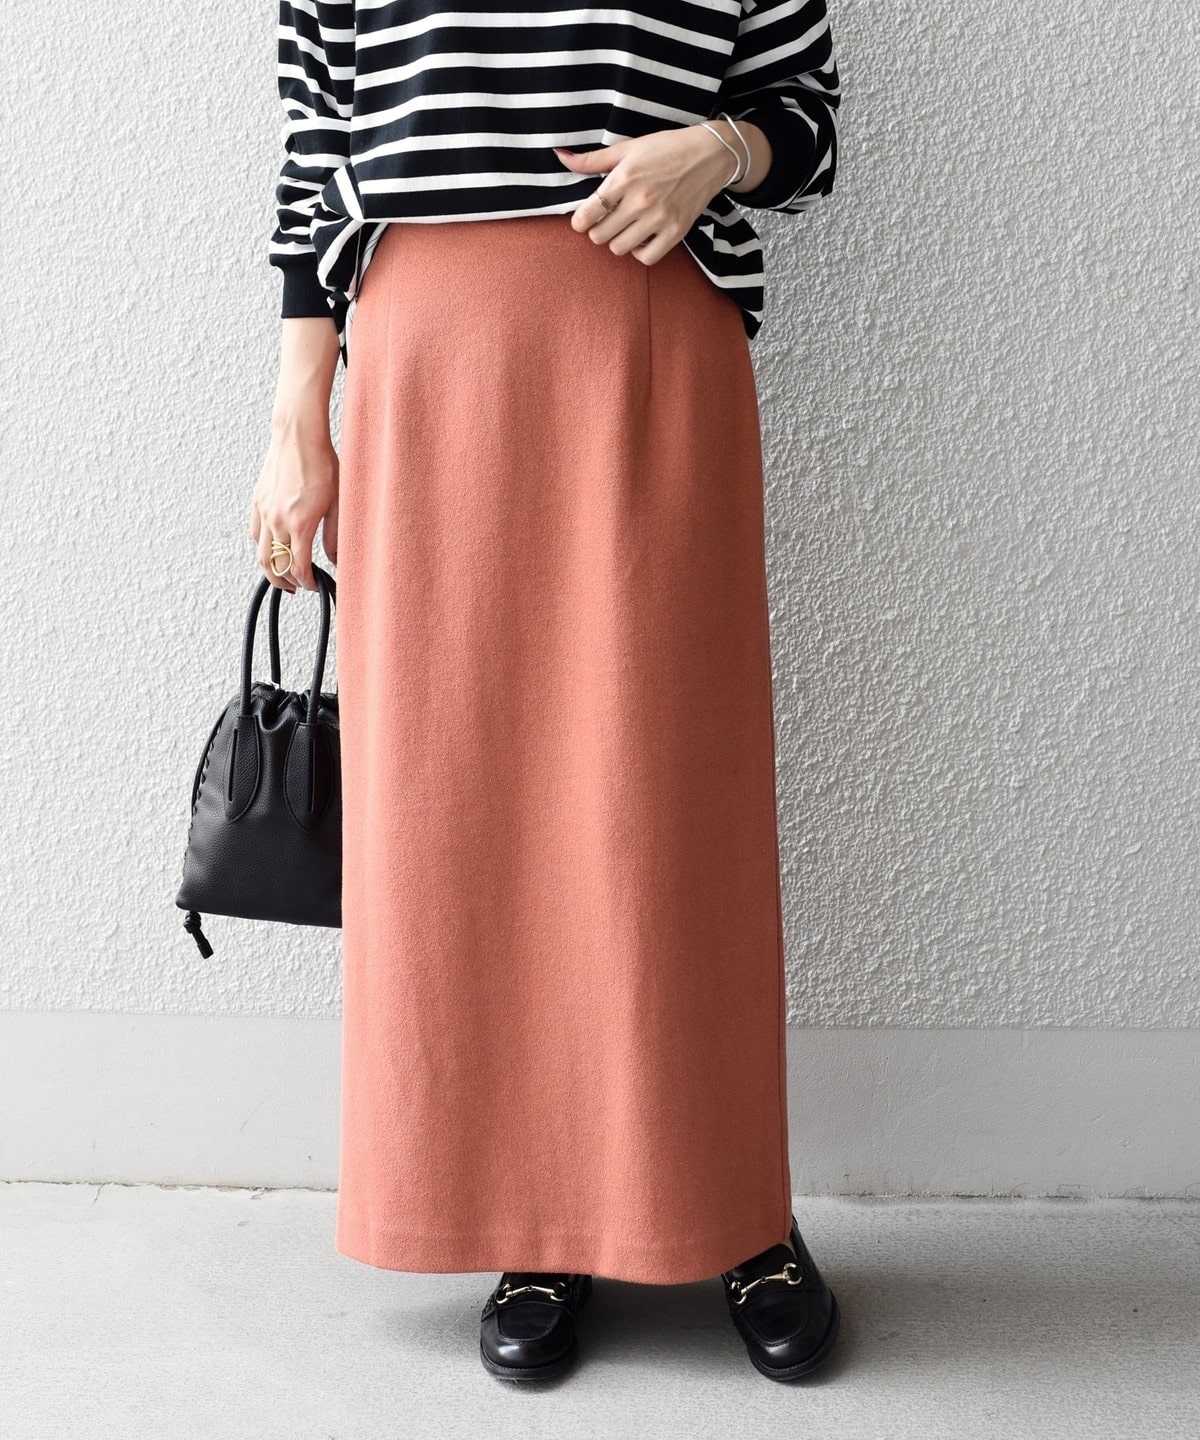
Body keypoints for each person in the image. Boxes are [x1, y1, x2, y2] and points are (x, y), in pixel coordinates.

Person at [251, 0, 843, 1385]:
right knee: (466, 803)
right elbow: (317, 142)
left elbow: (806, 118)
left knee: (669, 800)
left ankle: (738, 1213)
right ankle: (535, 1214)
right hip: (430, 363)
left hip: (647, 340)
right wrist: (296, 418)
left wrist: (722, 150)